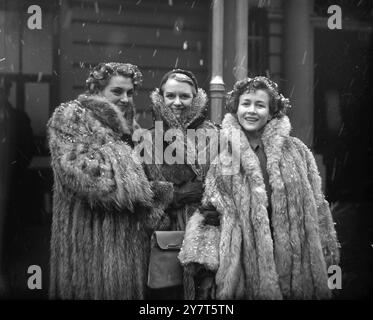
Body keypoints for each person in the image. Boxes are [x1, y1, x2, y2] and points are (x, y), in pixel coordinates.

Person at [179, 76, 340, 299]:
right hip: (246, 272)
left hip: (297, 267)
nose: (251, 111)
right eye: (246, 104)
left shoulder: (298, 152)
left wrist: (332, 269)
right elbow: (209, 216)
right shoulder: (224, 160)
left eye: (260, 105)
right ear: (236, 109)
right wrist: (206, 273)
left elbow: (319, 206)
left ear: (272, 112)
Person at [48, 62, 163, 299]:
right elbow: (79, 172)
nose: (125, 98)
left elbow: (150, 176)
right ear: (97, 91)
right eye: (117, 91)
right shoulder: (72, 116)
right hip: (87, 245)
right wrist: (141, 187)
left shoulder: (131, 129)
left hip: (128, 249)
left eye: (130, 92)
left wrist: (159, 192)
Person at [144, 69, 218, 299]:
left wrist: (216, 206)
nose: (177, 102)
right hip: (165, 235)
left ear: (195, 98)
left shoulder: (216, 135)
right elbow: (140, 191)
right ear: (161, 97)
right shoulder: (148, 138)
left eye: (184, 96)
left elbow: (228, 184)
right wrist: (174, 195)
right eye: (171, 96)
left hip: (208, 234)